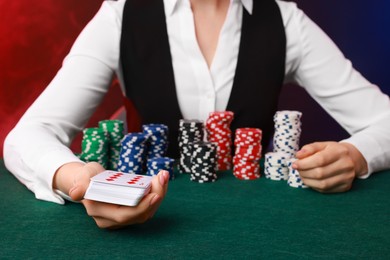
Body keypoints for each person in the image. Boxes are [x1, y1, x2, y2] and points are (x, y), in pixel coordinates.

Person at [3, 0, 390, 229]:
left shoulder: (285, 20)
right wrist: (80, 180)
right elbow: (26, 136)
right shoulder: (120, 16)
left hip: (259, 224)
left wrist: (357, 155)